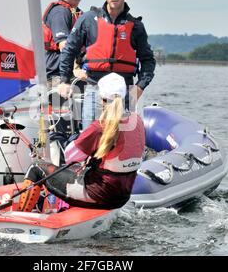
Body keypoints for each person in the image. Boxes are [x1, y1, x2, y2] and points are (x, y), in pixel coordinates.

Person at [16, 73, 145, 211]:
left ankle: (21, 215)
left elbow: (69, 156)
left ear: (101, 99)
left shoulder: (99, 127)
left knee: (36, 168)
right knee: (78, 170)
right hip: (122, 197)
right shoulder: (137, 121)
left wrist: (70, 138)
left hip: (99, 195)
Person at [58, 0, 156, 129]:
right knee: (90, 135)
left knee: (120, 139)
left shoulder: (136, 26)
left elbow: (148, 60)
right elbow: (69, 50)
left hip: (123, 92)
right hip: (94, 87)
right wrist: (63, 81)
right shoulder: (88, 20)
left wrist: (140, 87)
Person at [42, 0, 87, 89]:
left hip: (70, 73)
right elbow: (64, 45)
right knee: (59, 106)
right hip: (56, 76)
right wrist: (75, 69)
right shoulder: (60, 12)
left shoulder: (77, 13)